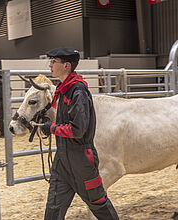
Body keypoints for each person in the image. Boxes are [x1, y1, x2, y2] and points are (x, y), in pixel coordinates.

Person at [40, 46, 119, 220]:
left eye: (54, 62)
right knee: (53, 208)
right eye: (50, 61)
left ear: (66, 65)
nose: (50, 65)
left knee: (99, 204)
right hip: (62, 161)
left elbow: (77, 130)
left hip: (82, 161)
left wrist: (52, 128)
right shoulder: (63, 89)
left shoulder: (78, 92)